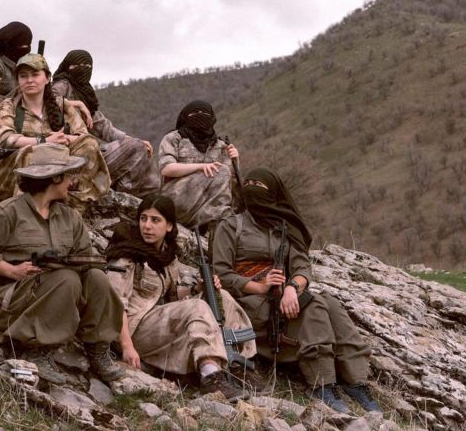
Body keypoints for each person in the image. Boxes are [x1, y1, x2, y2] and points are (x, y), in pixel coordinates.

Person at [211, 168, 381, 413]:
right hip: (247, 302)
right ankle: (322, 384)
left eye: (259, 185)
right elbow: (222, 274)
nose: (252, 188)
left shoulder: (286, 229)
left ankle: (356, 380)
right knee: (315, 306)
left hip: (281, 295)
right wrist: (260, 286)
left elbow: (302, 267)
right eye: (248, 183)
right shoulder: (230, 226)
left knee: (330, 303)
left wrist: (292, 288)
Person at [0, 145, 124, 384]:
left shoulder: (69, 217)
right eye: (68, 176)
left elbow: (85, 258)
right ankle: (37, 349)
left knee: (96, 277)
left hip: (59, 296)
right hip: (15, 300)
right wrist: (11, 270)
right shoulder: (9, 212)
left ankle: (97, 346)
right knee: (67, 279)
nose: (72, 182)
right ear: (55, 178)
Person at [104, 194, 254, 401]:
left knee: (221, 296)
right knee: (196, 307)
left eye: (155, 220)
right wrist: (127, 347)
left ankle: (239, 365)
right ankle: (211, 377)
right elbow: (115, 304)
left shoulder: (167, 257)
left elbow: (172, 298)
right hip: (131, 329)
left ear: (169, 226)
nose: (147, 226)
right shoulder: (126, 255)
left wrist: (199, 288)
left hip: (156, 324)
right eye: (143, 219)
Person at [0, 53, 110, 212]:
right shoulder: (9, 105)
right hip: (11, 176)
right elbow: (5, 138)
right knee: (32, 152)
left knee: (89, 145)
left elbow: (82, 134)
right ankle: (27, 213)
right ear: (18, 80)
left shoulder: (61, 105)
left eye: (35, 75)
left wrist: (65, 139)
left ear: (47, 78)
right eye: (23, 76)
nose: (29, 80)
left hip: (54, 172)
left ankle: (71, 205)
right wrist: (44, 141)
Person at [52, 49, 161, 197]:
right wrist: (77, 104)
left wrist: (132, 140)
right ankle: (123, 199)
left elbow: (104, 128)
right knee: (136, 148)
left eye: (88, 66)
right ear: (68, 66)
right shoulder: (63, 84)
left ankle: (151, 203)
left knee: (143, 151)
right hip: (70, 157)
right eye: (78, 66)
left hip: (90, 154)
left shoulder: (85, 94)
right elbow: (48, 101)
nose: (84, 69)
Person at [157, 100, 240, 230]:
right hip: (176, 199)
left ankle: (217, 224)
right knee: (221, 171)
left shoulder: (221, 146)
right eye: (195, 112)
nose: (200, 115)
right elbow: (167, 169)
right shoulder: (174, 138)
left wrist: (236, 160)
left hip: (207, 206)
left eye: (204, 113)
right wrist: (201, 167)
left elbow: (230, 184)